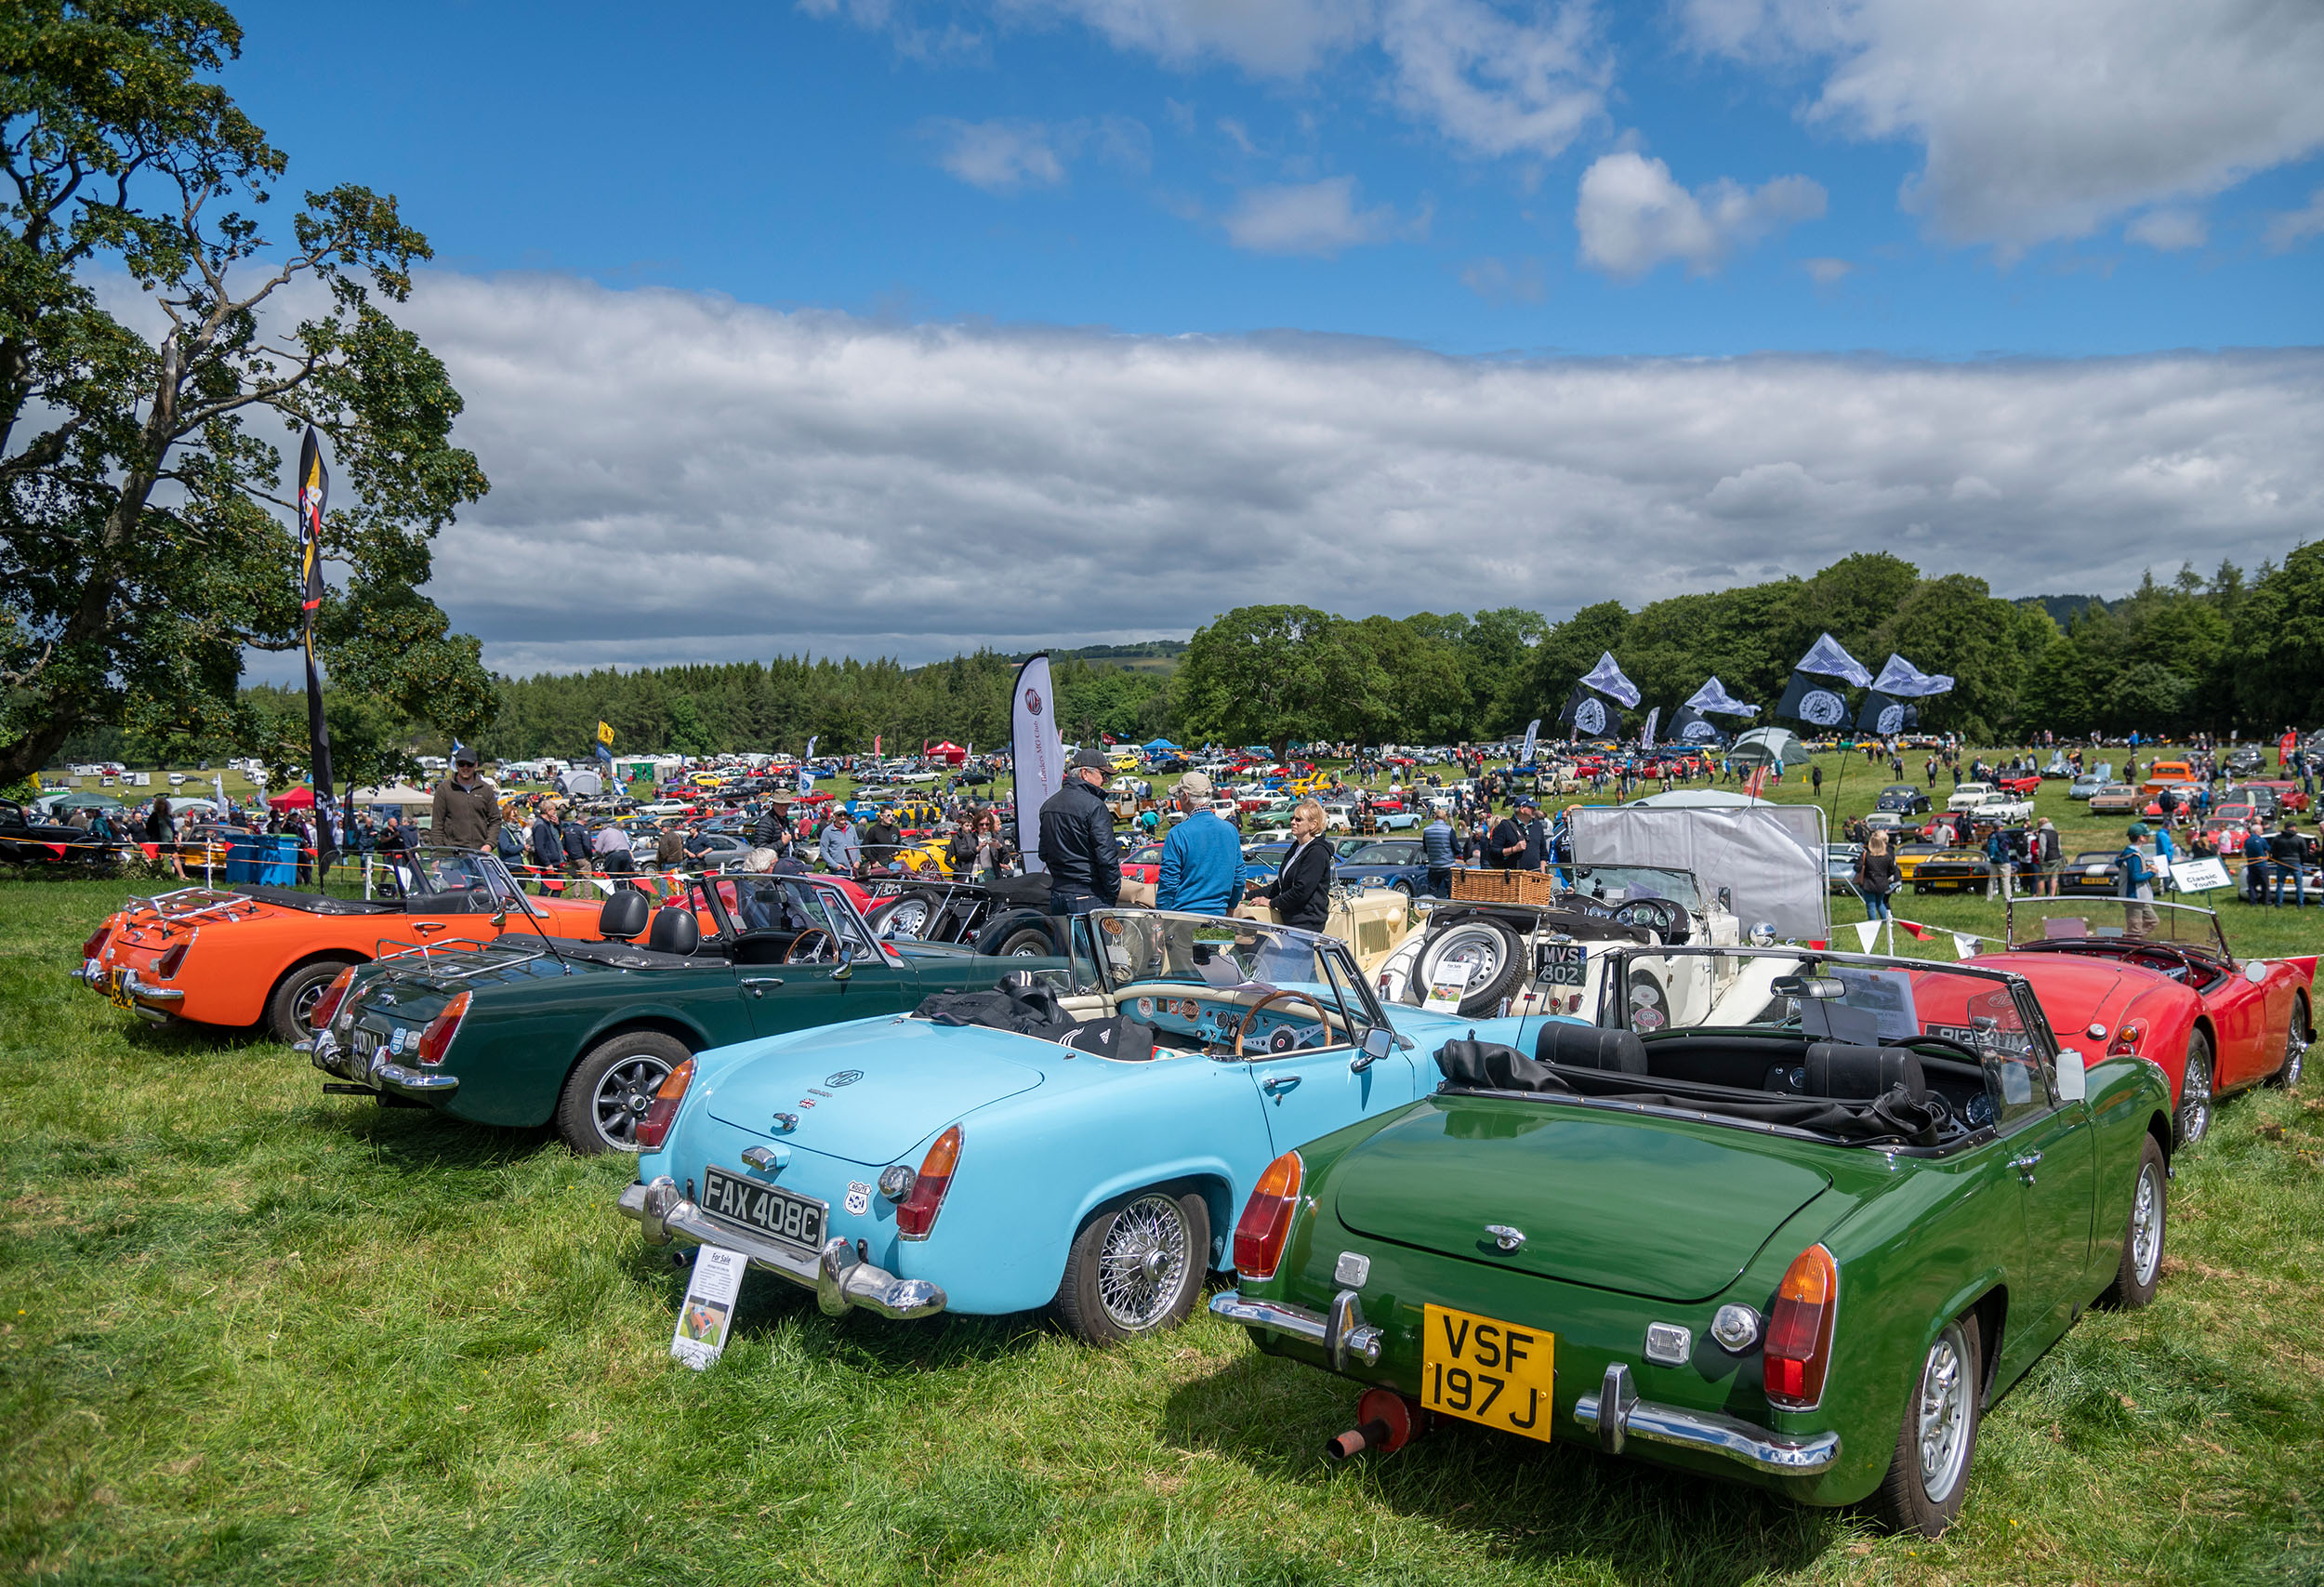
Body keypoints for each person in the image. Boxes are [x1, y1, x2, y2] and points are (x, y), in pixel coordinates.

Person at [1037, 747, 1122, 918]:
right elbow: (1107, 857)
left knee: (1064, 944)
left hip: (1059, 893)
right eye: (1103, 774)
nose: (1105, 780)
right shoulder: (1095, 806)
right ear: (1085, 773)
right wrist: (1112, 893)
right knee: (1094, 945)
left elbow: (1043, 853)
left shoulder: (1049, 805)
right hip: (1089, 894)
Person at [1157, 771, 1246, 914]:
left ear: (1185, 797)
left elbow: (1168, 884)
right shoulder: (1230, 829)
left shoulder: (1178, 833)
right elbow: (1239, 877)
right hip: (1220, 917)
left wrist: (1160, 920)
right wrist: (1231, 908)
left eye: (1178, 795)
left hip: (1185, 919)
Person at [1246, 798, 1331, 931]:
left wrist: (1271, 903)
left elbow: (1301, 891)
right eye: (1292, 818)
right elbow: (1280, 886)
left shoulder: (1317, 853)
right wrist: (1247, 895)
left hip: (1306, 924)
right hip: (1290, 921)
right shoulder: (1296, 847)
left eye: (1298, 820)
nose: (1292, 822)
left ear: (1313, 825)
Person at [430, 749, 502, 853]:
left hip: (480, 854)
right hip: (452, 856)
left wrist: (489, 845)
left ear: (476, 765)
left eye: (469, 764)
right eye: (461, 764)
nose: (465, 767)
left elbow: (495, 821)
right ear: (456, 765)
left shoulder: (486, 790)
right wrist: (438, 854)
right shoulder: (444, 789)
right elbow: (437, 824)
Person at [2119, 825, 2159, 934]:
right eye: (2146, 835)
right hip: (2133, 896)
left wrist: (2147, 867)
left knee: (2153, 921)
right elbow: (2135, 877)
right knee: (2135, 930)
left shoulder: (2134, 853)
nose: (2148, 837)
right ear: (2140, 837)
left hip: (2140, 897)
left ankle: (2129, 940)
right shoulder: (2133, 855)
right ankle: (2130, 943)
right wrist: (2152, 873)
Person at [1855, 830, 1899, 920]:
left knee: (1871, 906)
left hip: (1868, 884)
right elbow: (1893, 870)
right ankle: (1886, 921)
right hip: (1882, 883)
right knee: (1880, 903)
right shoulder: (1886, 856)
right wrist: (1884, 876)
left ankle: (1873, 924)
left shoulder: (1866, 855)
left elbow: (1857, 868)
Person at [2269, 819, 2308, 908]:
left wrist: (2277, 860)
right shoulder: (2299, 839)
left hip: (2282, 862)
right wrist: (2301, 862)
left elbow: (2273, 851)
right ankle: (2300, 904)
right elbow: (2304, 853)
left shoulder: (2278, 838)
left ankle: (2278, 904)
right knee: (2298, 885)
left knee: (2280, 884)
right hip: (2296, 863)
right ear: (2292, 828)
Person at [1420, 807, 1457, 899]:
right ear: (1445, 818)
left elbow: (1425, 848)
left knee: (1432, 892)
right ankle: (1451, 910)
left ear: (1435, 817)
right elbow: (1456, 848)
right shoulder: (1449, 830)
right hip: (1448, 865)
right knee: (1451, 891)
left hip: (1433, 866)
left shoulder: (1426, 830)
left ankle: (1430, 910)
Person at [818, 809, 863, 876]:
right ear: (834, 816)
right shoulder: (828, 831)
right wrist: (835, 866)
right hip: (839, 870)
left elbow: (857, 845)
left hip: (854, 869)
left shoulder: (851, 828)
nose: (842, 817)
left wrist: (858, 861)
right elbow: (823, 851)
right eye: (839, 815)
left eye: (844, 814)